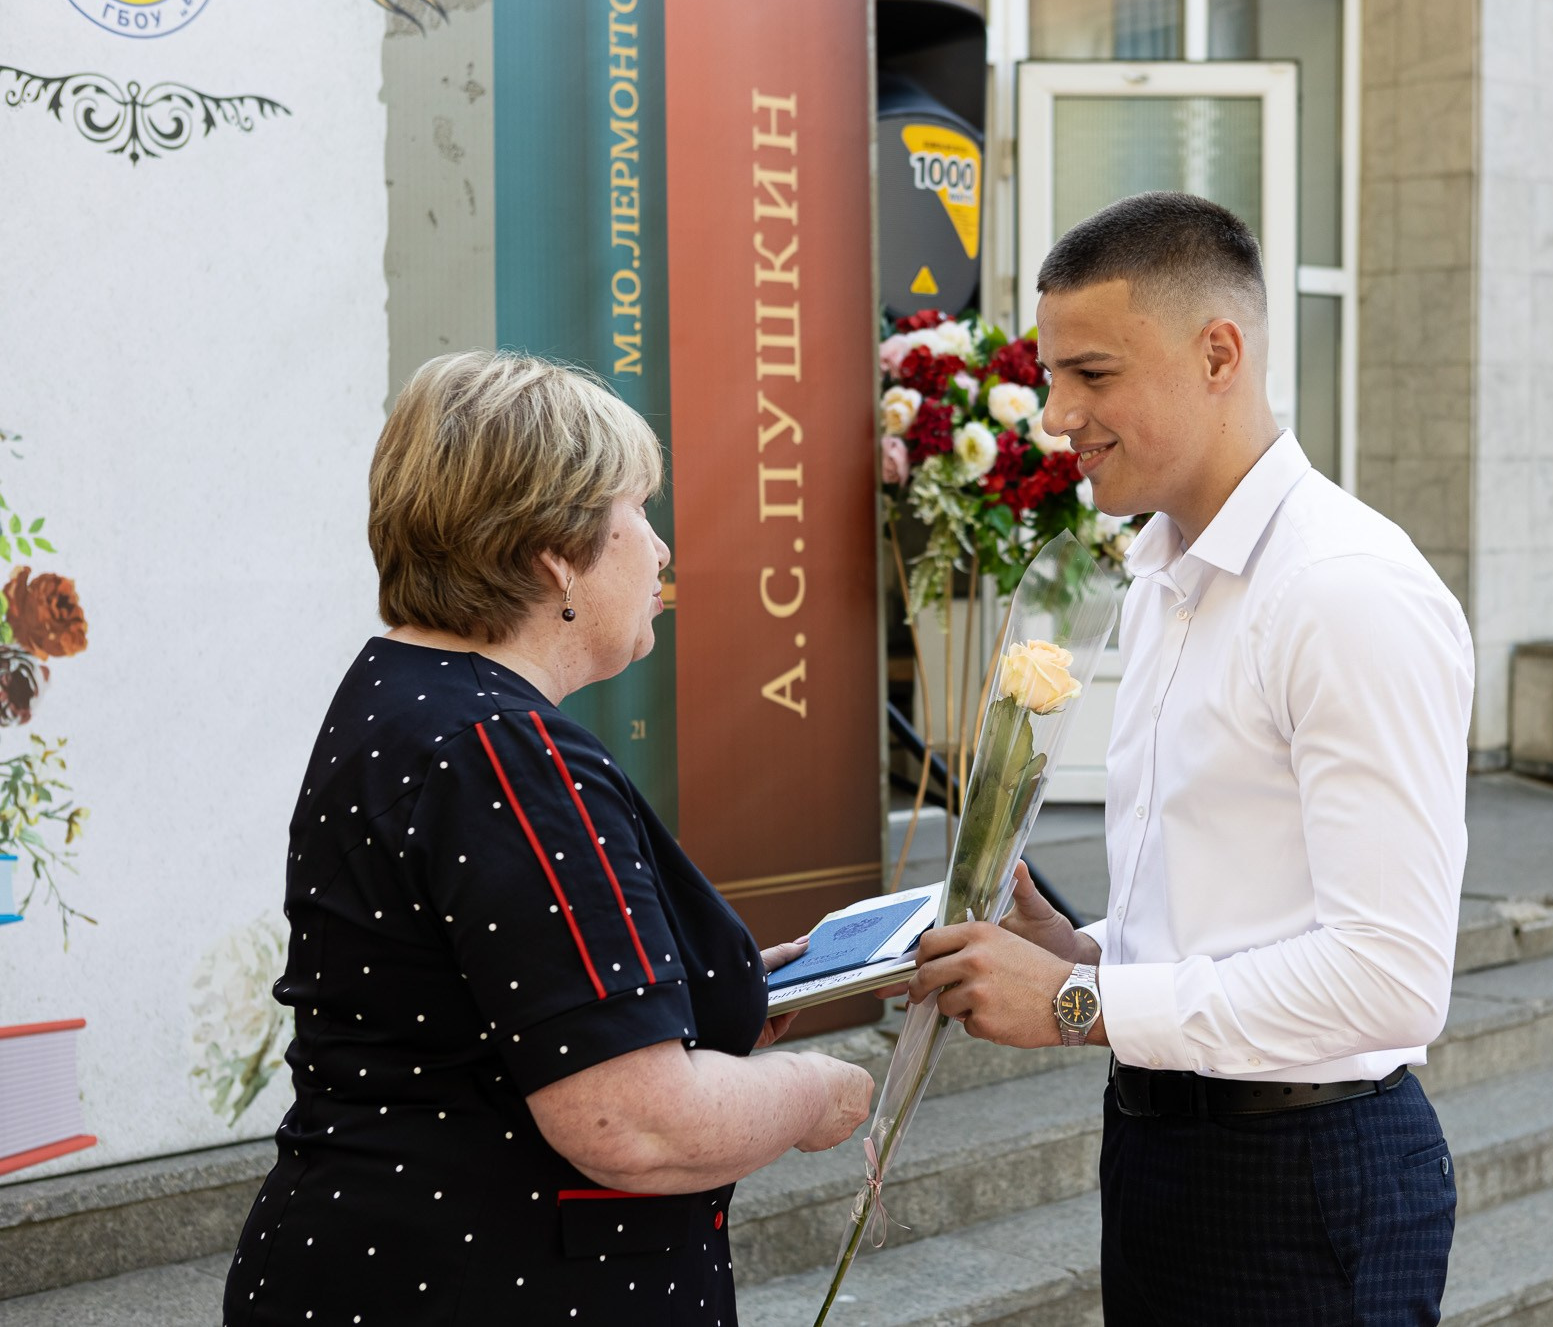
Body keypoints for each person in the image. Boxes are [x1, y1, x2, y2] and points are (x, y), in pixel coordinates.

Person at [906, 192, 1475, 1324]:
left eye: (1094, 374)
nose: (1056, 411)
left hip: (1303, 1175)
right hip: (1165, 1154)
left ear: (1219, 353)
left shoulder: (1342, 589)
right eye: (1052, 371)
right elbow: (1238, 903)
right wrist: (1081, 947)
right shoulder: (1161, 569)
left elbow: (1386, 973)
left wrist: (1079, 1003)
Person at [223, 351, 873, 1326]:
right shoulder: (505, 747)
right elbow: (633, 1122)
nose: (658, 551)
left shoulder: (398, 696)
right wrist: (811, 1089)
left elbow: (482, 996)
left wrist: (688, 999)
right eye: (637, 515)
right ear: (554, 556)